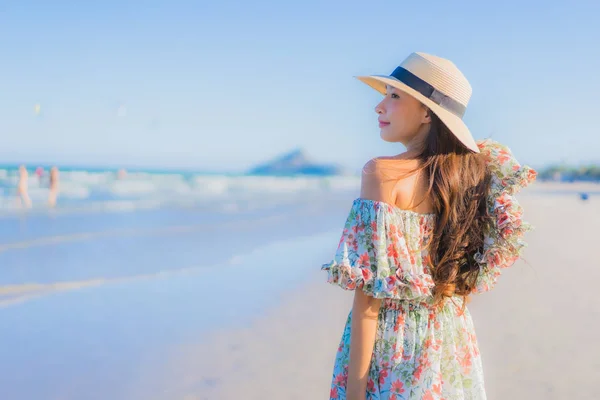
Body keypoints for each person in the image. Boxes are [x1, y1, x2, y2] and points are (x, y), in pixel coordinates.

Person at [322, 52, 537, 400]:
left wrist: (355, 393)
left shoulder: (382, 173)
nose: (379, 107)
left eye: (393, 95)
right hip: (451, 343)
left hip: (396, 348)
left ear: (427, 112)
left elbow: (369, 300)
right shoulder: (468, 174)